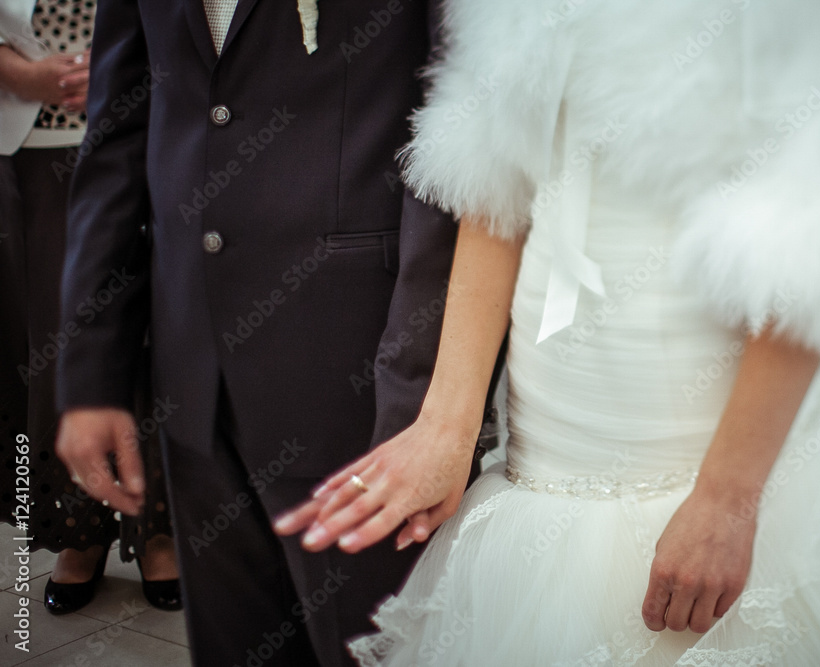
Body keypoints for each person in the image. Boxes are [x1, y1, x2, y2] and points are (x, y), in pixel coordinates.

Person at [276, 0, 820, 664]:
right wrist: (447, 422)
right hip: (542, 462)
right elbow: (492, 171)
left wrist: (728, 498)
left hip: (714, 461)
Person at [52, 0, 498, 665]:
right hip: (194, 378)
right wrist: (90, 372)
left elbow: (462, 128)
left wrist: (423, 405)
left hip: (361, 383)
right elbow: (118, 130)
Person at [0, 0, 180, 616]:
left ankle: (160, 529)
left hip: (163, 138)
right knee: (55, 349)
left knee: (165, 342)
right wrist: (20, 74)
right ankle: (76, 534)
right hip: (37, 146)